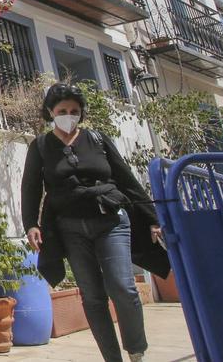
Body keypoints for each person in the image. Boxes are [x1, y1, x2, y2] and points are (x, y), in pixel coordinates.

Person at [21, 83, 170, 362]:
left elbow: (126, 179)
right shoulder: (40, 146)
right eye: (62, 110)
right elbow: (30, 188)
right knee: (92, 296)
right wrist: (30, 224)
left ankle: (136, 352)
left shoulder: (97, 139)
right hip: (71, 228)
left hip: (111, 220)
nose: (69, 115)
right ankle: (111, 358)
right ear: (51, 112)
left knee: (122, 287)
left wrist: (152, 219)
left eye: (74, 111)